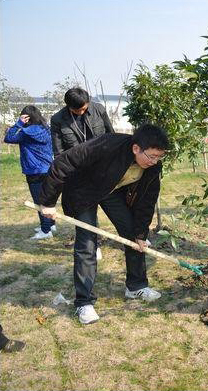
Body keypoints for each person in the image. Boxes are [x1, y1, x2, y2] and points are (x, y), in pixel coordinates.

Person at [39, 124, 169, 325]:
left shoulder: (153, 168)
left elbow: (146, 201)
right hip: (83, 191)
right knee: (87, 243)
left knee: (132, 237)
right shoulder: (107, 145)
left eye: (159, 157)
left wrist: (141, 233)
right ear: (136, 148)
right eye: (151, 156)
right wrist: (47, 202)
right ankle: (84, 302)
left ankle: (135, 286)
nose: (154, 161)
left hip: (111, 191)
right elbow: (64, 162)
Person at [50, 87, 115, 259]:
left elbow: (111, 135)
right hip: (79, 175)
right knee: (86, 213)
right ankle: (93, 245)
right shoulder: (57, 120)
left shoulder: (98, 109)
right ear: (69, 107)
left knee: (117, 206)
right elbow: (59, 152)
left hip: (103, 170)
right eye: (79, 110)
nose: (83, 111)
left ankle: (137, 237)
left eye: (86, 107)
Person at [4, 105, 56, 239]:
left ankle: (46, 231)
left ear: (26, 118)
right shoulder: (46, 129)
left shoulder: (25, 133)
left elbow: (8, 138)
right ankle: (51, 224)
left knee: (39, 201)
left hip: (34, 171)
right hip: (48, 168)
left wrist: (19, 123)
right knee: (48, 198)